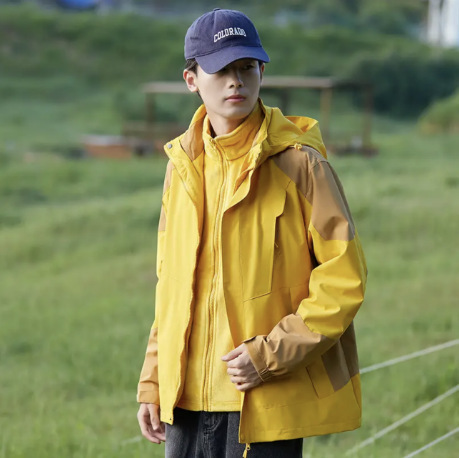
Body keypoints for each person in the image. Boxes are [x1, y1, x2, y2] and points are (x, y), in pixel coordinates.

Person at [137, 8, 367, 458]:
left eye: (246, 67)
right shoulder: (181, 168)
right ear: (191, 80)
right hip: (184, 400)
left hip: (263, 401)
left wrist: (270, 355)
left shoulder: (301, 164)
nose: (236, 81)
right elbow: (172, 286)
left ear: (262, 71)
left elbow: (344, 279)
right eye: (221, 70)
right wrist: (154, 379)